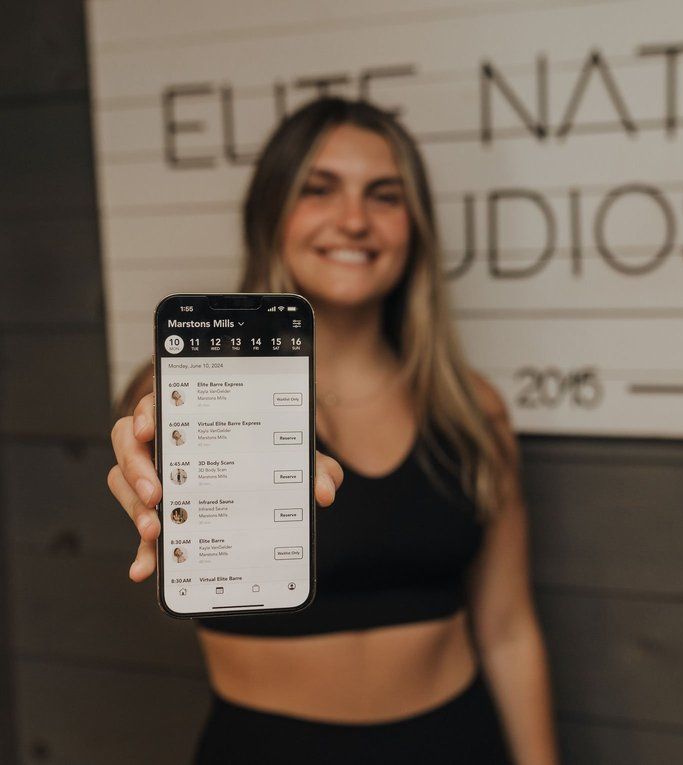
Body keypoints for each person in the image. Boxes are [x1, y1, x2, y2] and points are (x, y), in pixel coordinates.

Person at [107, 97, 559, 764]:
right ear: (271, 214)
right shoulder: (189, 391)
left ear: (416, 228)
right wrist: (153, 443)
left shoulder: (472, 408)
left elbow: (508, 630)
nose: (354, 220)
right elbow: (147, 431)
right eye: (318, 190)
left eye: (385, 196)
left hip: (457, 742)